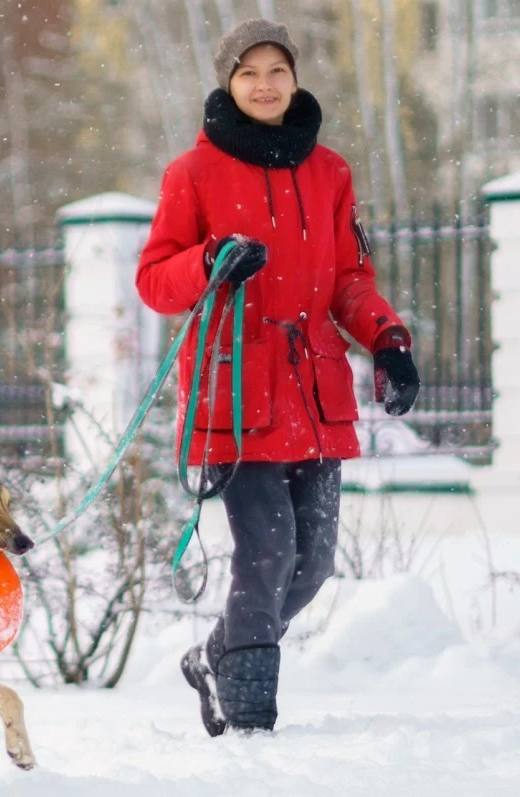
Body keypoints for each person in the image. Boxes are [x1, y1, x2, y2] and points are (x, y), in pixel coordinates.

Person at [135, 18, 421, 736]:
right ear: (228, 82)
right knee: (265, 554)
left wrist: (387, 340)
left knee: (315, 562)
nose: (264, 85)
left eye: (277, 71)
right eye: (249, 72)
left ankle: (215, 655)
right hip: (234, 393)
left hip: (316, 390)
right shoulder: (191, 174)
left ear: (295, 79)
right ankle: (251, 722)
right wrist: (208, 260)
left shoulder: (330, 172)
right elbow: (155, 281)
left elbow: (349, 280)